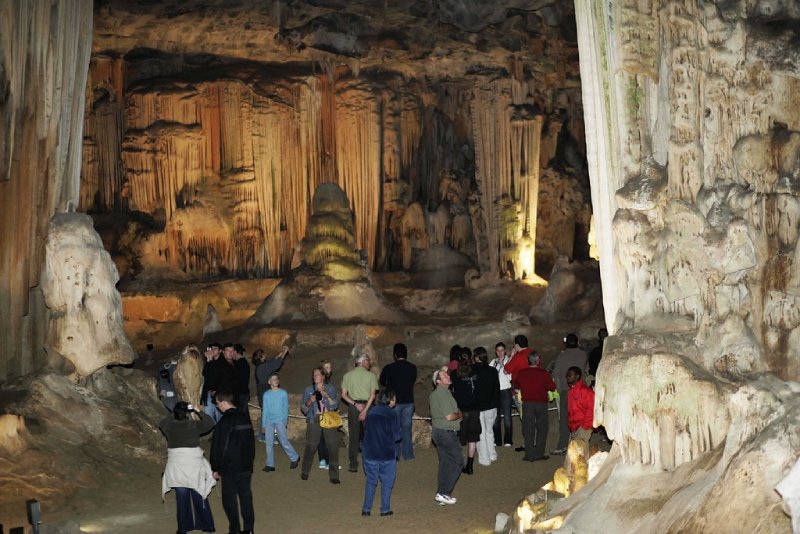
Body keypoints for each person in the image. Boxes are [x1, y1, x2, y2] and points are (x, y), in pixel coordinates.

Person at [159, 401, 216, 534]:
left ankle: (184, 527)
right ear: (187, 413)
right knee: (198, 493)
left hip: (176, 465)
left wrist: (175, 413)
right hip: (193, 464)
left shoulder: (169, 426)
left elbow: (161, 423)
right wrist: (198, 411)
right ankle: (207, 525)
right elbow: (210, 423)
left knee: (182, 497)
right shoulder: (193, 425)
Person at [210, 391, 256, 534]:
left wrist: (216, 468)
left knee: (229, 501)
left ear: (223, 402)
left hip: (230, 468)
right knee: (246, 498)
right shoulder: (244, 418)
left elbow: (219, 447)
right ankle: (249, 530)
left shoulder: (224, 422)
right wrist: (249, 463)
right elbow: (251, 443)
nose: (218, 407)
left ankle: (234, 529)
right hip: (246, 467)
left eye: (217, 404)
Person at [361, 388, 401, 517]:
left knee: (371, 481)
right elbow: (397, 436)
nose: (395, 401)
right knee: (388, 481)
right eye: (394, 398)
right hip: (386, 453)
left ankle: (366, 509)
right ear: (390, 400)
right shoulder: (392, 414)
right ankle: (385, 509)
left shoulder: (371, 411)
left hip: (370, 452)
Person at [300, 366, 341, 484]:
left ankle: (334, 475)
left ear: (323, 376)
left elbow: (335, 405)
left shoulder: (330, 388)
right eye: (314, 375)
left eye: (317, 374)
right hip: (314, 419)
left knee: (333, 446)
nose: (315, 377)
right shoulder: (308, 389)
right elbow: (303, 407)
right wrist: (310, 401)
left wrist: (327, 396)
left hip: (328, 418)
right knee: (311, 446)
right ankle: (305, 471)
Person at [512, 351, 556, 462]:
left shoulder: (521, 373)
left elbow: (516, 386)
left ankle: (529, 455)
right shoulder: (544, 373)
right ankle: (539, 453)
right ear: (538, 361)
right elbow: (552, 387)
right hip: (541, 404)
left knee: (528, 429)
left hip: (527, 404)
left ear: (528, 361)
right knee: (542, 429)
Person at [429, 368, 463, 505]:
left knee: (445, 463)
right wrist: (460, 415)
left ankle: (441, 494)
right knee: (458, 462)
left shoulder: (437, 394)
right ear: (438, 381)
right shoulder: (442, 394)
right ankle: (444, 492)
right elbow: (450, 416)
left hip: (438, 432)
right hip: (446, 433)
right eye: (444, 375)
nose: (447, 376)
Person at [341, 353, 379, 472]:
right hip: (368, 407)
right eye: (367, 361)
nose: (369, 363)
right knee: (369, 436)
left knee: (354, 436)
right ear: (362, 362)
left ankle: (353, 463)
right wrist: (365, 410)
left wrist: (356, 405)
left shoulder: (347, 376)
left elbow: (343, 395)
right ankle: (369, 462)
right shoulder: (371, 376)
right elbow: (373, 395)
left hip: (353, 408)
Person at [379, 343, 417, 461]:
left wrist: (390, 384)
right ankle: (408, 455)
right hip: (408, 402)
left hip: (394, 402)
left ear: (395, 355)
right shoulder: (412, 367)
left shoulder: (389, 368)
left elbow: (382, 381)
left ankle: (394, 455)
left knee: (393, 429)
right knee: (406, 428)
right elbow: (412, 381)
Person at [550, 333, 587, 455]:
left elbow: (556, 373)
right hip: (581, 390)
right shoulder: (583, 354)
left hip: (567, 391)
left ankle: (563, 445)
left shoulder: (562, 356)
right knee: (580, 416)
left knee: (565, 419)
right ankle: (579, 444)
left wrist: (560, 389)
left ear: (566, 343)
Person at [260, 372, 300, 472]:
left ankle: (294, 457)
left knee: (283, 440)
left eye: (277, 378)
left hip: (280, 420)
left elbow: (285, 408)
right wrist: (264, 424)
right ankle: (270, 464)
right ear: (269, 382)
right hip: (269, 420)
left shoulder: (283, 393)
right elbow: (265, 410)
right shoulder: (266, 395)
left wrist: (285, 421)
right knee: (269, 442)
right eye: (273, 379)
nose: (276, 380)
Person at [451, 348, 480, 475]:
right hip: (474, 409)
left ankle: (458, 463)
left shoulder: (454, 374)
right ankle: (469, 465)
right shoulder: (476, 372)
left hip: (461, 410)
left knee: (459, 439)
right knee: (472, 438)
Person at [473, 347, 500, 466]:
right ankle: (492, 454)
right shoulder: (493, 371)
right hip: (491, 406)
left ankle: (484, 459)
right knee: (489, 431)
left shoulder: (472, 371)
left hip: (478, 406)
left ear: (476, 357)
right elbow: (496, 389)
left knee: (480, 433)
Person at [490, 342, 514, 447]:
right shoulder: (492, 362)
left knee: (507, 416)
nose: (500, 352)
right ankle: (497, 440)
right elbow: (489, 376)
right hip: (495, 392)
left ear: (505, 351)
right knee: (495, 417)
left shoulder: (509, 361)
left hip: (505, 391)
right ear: (496, 351)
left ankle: (508, 440)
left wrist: (503, 365)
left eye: (502, 350)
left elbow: (510, 377)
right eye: (498, 350)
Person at [566, 366, 595, 444]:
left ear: (577, 376)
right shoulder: (571, 391)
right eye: (567, 375)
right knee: (580, 452)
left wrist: (585, 427)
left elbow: (591, 410)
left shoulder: (585, 391)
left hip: (583, 426)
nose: (567, 377)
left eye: (570, 375)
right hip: (574, 427)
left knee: (577, 452)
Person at [200, 342, 223, 422]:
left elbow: (217, 375)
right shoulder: (210, 361)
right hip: (209, 393)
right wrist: (208, 360)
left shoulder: (222, 362)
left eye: (215, 349)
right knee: (208, 415)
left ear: (220, 351)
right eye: (212, 348)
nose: (212, 350)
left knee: (220, 415)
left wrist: (216, 390)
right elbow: (204, 373)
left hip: (219, 393)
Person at [318, 359, 334, 469]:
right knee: (323, 437)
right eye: (327, 367)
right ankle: (325, 461)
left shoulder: (328, 382)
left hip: (325, 412)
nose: (329, 369)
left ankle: (323, 460)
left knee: (323, 437)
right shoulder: (323, 382)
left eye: (330, 367)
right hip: (322, 412)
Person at [233, 343, 251, 414]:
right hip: (244, 392)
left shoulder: (239, 364)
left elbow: (237, 380)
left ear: (235, 352)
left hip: (240, 394)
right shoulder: (244, 362)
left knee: (241, 415)